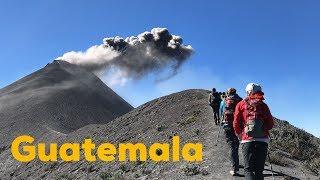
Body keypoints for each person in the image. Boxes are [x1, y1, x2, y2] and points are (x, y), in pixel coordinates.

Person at [233, 83, 274, 180]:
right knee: (259, 170)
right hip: (263, 140)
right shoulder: (263, 105)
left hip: (247, 140)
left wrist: (240, 135)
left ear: (248, 92)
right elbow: (270, 124)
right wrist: (262, 129)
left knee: (248, 170)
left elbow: (236, 122)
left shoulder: (241, 104)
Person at [220, 88, 242, 176]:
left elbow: (221, 111)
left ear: (228, 93)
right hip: (239, 126)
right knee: (238, 144)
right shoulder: (241, 100)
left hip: (228, 125)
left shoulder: (225, 101)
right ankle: (248, 165)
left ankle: (234, 168)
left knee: (232, 146)